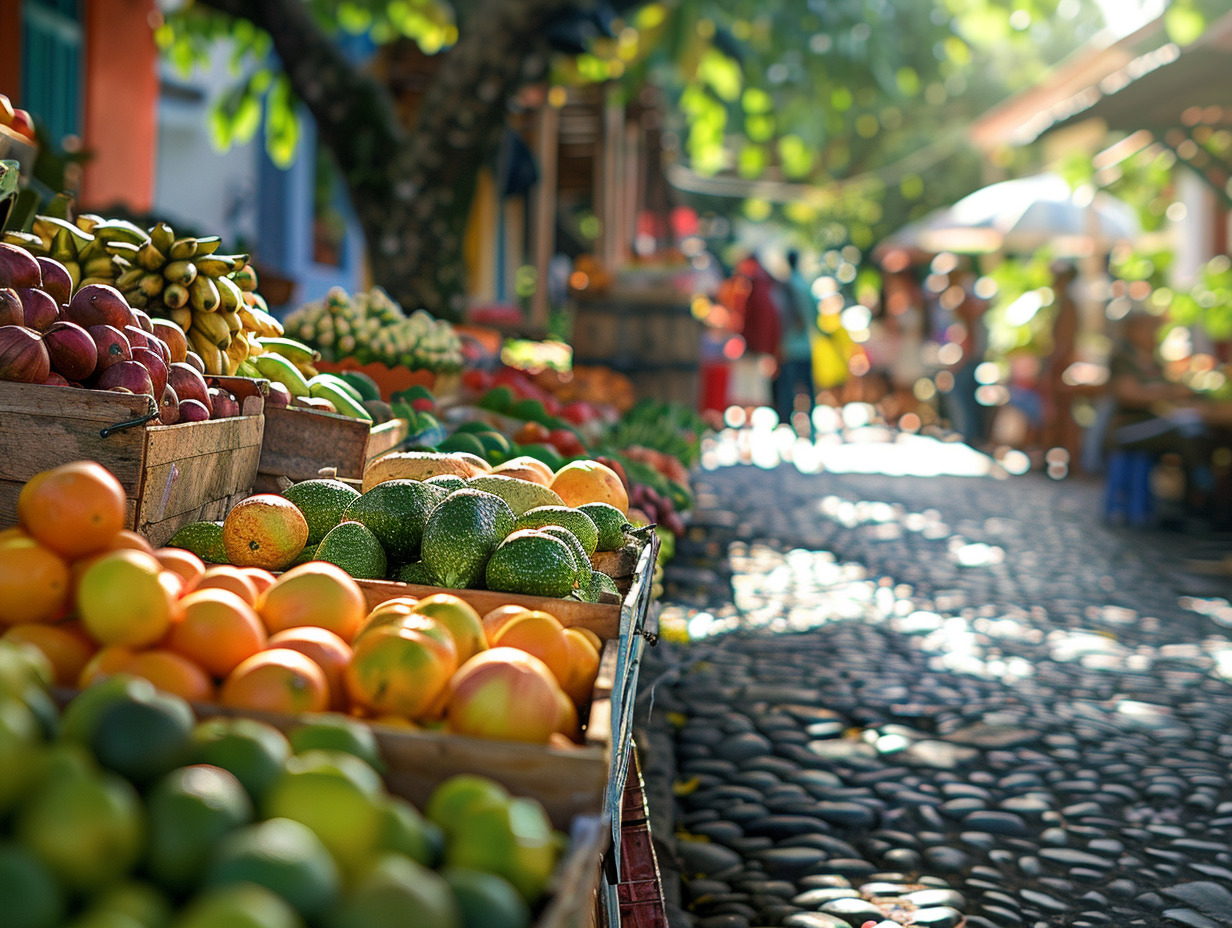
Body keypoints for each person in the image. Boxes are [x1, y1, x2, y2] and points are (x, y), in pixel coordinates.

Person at [1104, 308, 1213, 513]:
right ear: (1133, 330)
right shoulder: (1123, 359)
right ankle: (1201, 486)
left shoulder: (1153, 361)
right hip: (1126, 430)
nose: (1154, 335)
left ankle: (1196, 496)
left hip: (1151, 424)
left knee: (1196, 429)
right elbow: (1129, 395)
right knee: (1183, 433)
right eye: (1150, 330)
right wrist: (1170, 393)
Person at [773, 250, 817, 427]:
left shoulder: (783, 287)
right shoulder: (806, 286)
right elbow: (815, 316)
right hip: (805, 346)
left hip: (788, 348)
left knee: (788, 391)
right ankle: (810, 424)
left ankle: (787, 424)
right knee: (808, 389)